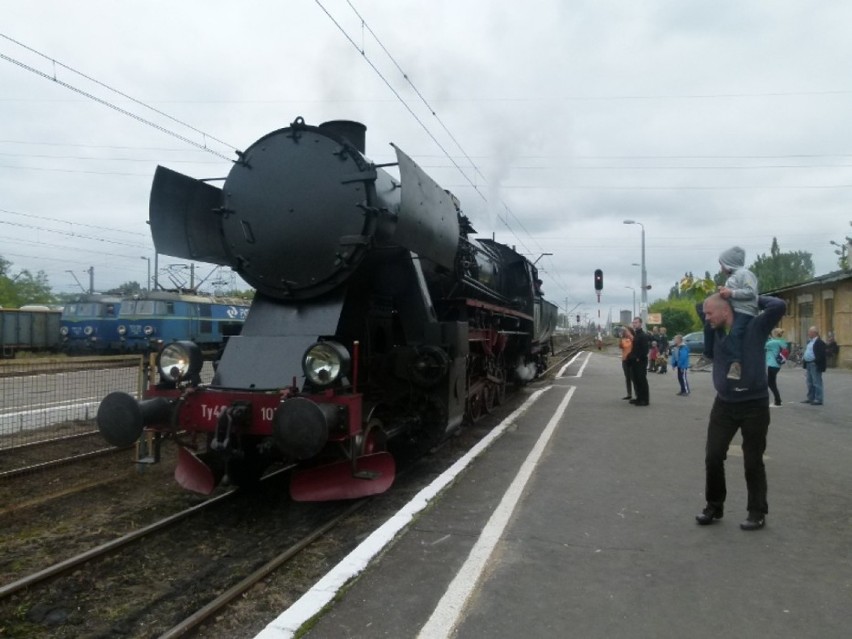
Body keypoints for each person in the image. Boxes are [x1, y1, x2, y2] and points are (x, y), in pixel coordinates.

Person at [694, 293, 786, 531]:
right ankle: (714, 505)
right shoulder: (715, 330)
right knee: (713, 455)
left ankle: (757, 511)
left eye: (710, 313)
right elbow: (700, 305)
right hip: (724, 404)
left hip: (754, 404)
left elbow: (778, 305)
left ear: (726, 312)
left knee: (752, 460)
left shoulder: (755, 326)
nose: (706, 318)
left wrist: (741, 296)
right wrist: (720, 297)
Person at [694, 247, 759, 381]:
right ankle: (708, 355)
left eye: (722, 264)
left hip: (745, 310)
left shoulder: (745, 274)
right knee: (709, 323)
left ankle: (736, 364)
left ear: (730, 263)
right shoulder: (732, 277)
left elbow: (751, 292)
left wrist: (731, 293)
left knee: (735, 333)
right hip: (733, 308)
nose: (721, 268)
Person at [801, 326, 826, 405]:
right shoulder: (809, 342)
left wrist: (815, 361)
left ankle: (818, 399)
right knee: (809, 382)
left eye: (809, 332)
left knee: (817, 382)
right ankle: (811, 398)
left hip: (814, 364)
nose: (808, 333)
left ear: (814, 333)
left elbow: (822, 355)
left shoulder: (820, 342)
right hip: (808, 363)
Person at [628, 316, 650, 406]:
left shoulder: (643, 335)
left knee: (642, 380)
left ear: (640, 323)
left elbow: (645, 350)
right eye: (633, 322)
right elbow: (634, 348)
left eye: (636, 322)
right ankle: (639, 398)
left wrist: (638, 358)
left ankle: (645, 400)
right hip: (634, 361)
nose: (634, 324)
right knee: (636, 380)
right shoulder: (636, 335)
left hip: (640, 362)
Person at [765, 327, 788, 406]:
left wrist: (768, 338)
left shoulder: (772, 342)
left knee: (771, 383)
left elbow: (764, 345)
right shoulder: (781, 341)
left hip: (772, 364)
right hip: (776, 365)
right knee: (771, 383)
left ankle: (778, 401)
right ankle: (777, 400)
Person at [619, 326, 635, 401]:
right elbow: (621, 346)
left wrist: (629, 336)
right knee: (627, 378)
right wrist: (621, 338)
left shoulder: (633, 338)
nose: (625, 332)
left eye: (626, 331)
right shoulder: (623, 339)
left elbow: (634, 345)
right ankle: (629, 394)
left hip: (632, 360)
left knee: (633, 377)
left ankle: (637, 393)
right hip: (625, 360)